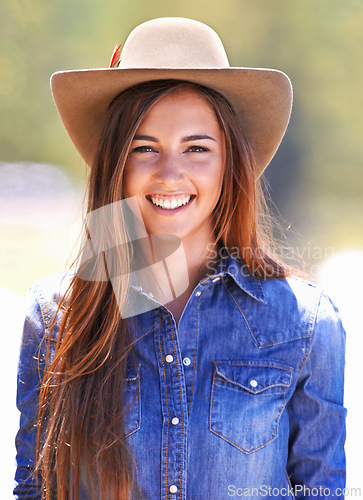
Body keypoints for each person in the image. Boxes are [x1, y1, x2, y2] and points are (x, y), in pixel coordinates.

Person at [14, 17, 346, 500]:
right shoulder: (54, 318)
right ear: (115, 163)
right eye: (144, 148)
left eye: (197, 148)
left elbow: (323, 491)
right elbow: (34, 489)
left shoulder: (307, 322)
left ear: (230, 161)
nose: (170, 174)